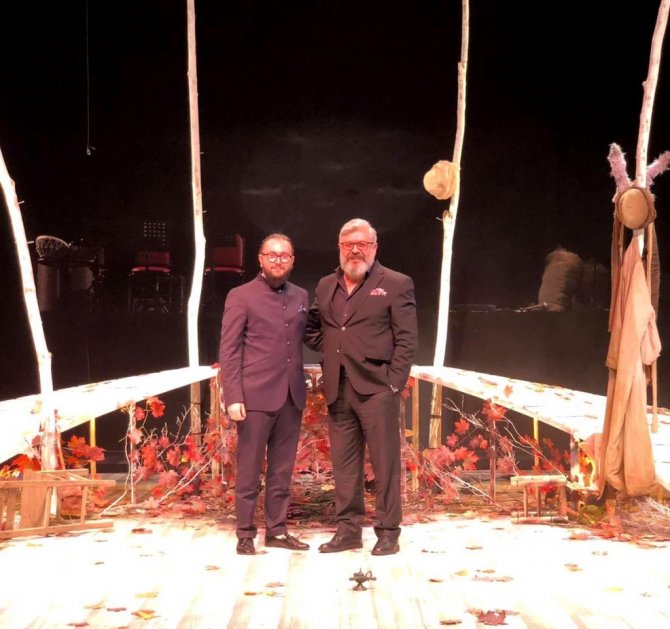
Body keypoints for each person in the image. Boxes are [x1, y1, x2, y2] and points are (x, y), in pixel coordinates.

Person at [305, 218, 418, 555]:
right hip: (338, 388)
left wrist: (394, 383)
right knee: (344, 466)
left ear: (374, 247)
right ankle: (348, 531)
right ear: (340, 248)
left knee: (385, 465)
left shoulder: (396, 283)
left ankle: (388, 532)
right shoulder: (326, 285)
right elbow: (313, 328)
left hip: (377, 389)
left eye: (362, 244)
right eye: (348, 244)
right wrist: (333, 351)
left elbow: (407, 339)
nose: (355, 250)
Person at [219, 233, 310, 555]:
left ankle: (277, 531)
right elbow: (229, 350)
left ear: (292, 260)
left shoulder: (301, 295)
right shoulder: (241, 295)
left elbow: (311, 335)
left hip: (291, 396)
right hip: (254, 397)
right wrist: (233, 396)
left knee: (282, 472)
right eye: (272, 255)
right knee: (248, 469)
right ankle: (245, 532)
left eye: (284, 255)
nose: (277, 260)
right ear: (260, 259)